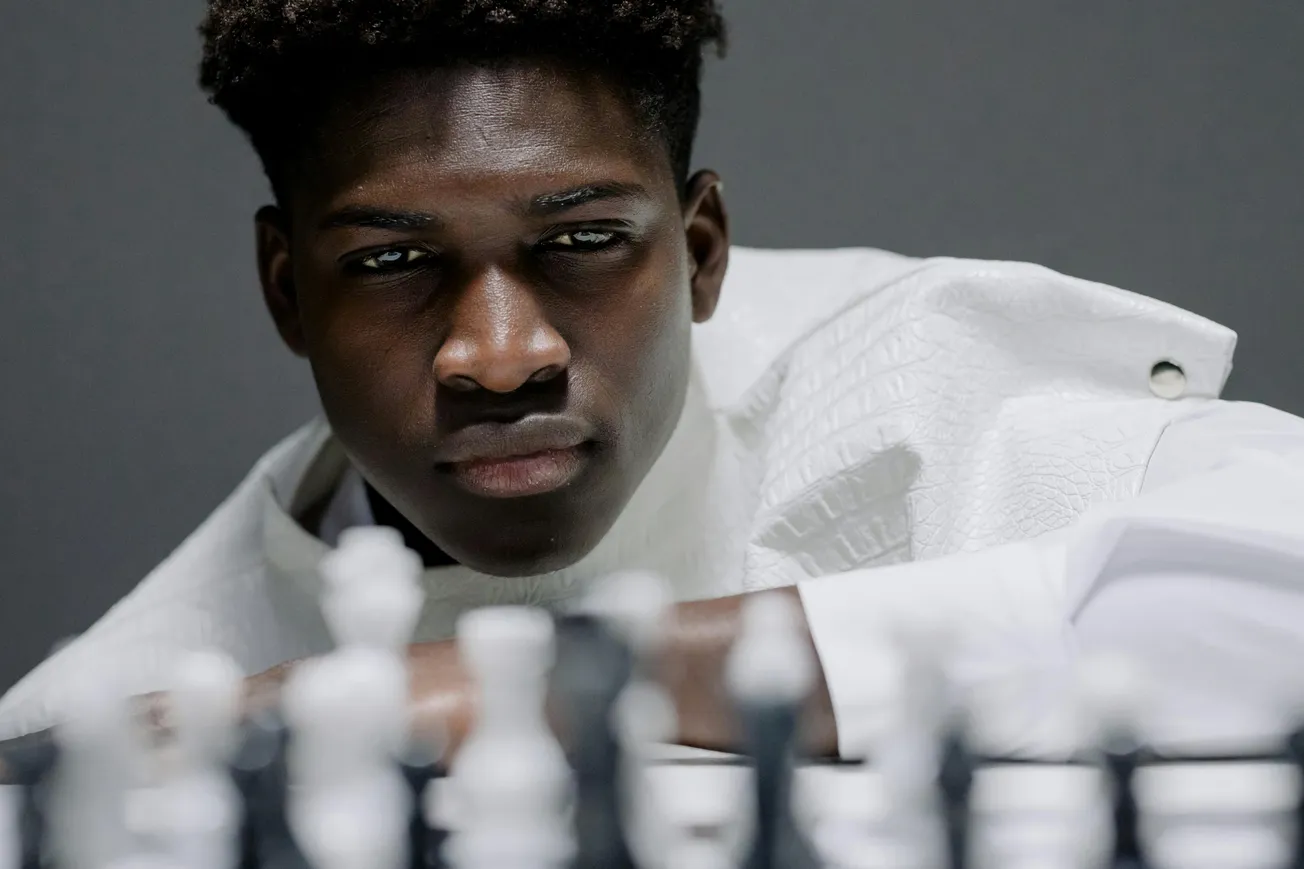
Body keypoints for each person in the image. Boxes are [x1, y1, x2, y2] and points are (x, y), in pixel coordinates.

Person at [3, 0, 1304, 761]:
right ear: (288, 288)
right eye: (395, 261)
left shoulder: (932, 390)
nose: (501, 357)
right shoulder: (125, 713)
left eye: (579, 246)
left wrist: (509, 683)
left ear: (699, 252)